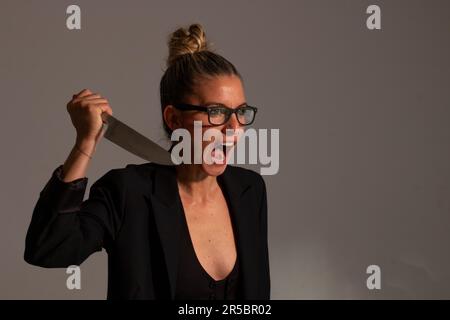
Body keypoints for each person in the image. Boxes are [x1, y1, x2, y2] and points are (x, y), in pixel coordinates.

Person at [24, 23, 270, 300]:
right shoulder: (128, 193)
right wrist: (86, 142)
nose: (233, 128)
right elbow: (49, 248)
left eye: (241, 113)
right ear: (174, 119)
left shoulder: (249, 190)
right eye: (216, 112)